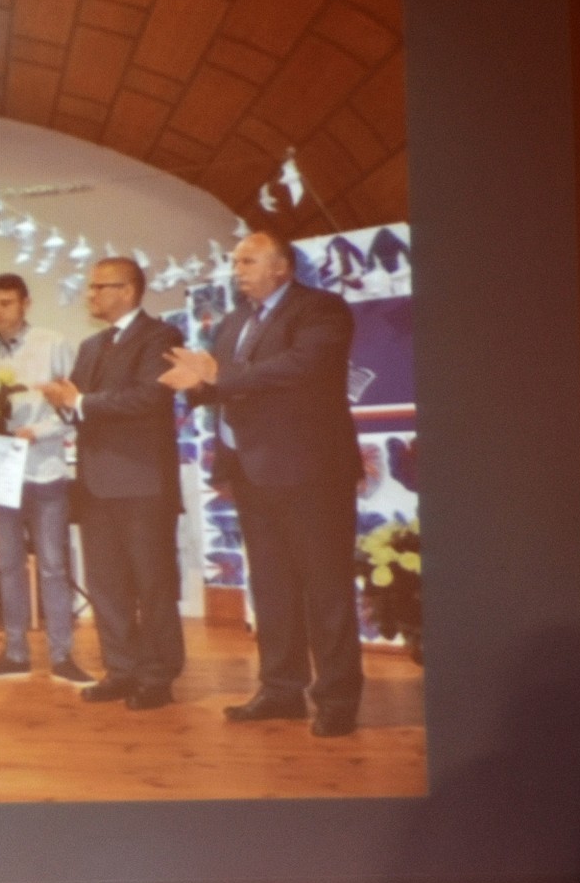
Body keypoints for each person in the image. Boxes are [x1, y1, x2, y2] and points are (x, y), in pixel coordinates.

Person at [161, 231, 366, 737]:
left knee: (326, 589)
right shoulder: (235, 321)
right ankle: (281, 690)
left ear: (281, 267)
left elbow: (299, 368)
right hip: (253, 473)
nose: (238, 270)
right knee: (272, 588)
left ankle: (337, 698)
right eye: (235, 262)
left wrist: (218, 376)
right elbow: (225, 388)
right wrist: (197, 385)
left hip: (312, 473)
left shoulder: (321, 310)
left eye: (248, 261)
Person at [39, 257, 185, 710]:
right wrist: (63, 401)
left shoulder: (161, 336)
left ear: (127, 290)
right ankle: (120, 669)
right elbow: (79, 406)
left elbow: (149, 397)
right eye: (90, 287)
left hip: (142, 482)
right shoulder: (91, 346)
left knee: (152, 584)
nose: (91, 295)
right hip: (96, 483)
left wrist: (80, 401)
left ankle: (157, 675)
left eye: (99, 287)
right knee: (106, 584)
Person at [0, 273, 92, 687]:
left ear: (25, 304)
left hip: (44, 471)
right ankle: (15, 652)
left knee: (52, 565)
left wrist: (38, 432)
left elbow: (72, 409)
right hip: (1, 473)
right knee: (8, 565)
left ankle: (63, 656)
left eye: (6, 303)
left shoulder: (52, 344)